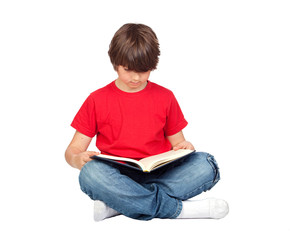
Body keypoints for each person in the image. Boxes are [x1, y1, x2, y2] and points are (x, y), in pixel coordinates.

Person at [65, 23, 229, 221]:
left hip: (160, 172)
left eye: (143, 71)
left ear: (153, 66)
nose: (135, 77)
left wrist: (184, 148)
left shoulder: (165, 97)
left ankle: (120, 205)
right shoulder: (96, 99)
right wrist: (77, 159)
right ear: (115, 62)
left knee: (206, 164)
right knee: (90, 173)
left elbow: (178, 144)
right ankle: (179, 211)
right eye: (128, 70)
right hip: (117, 177)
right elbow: (72, 150)